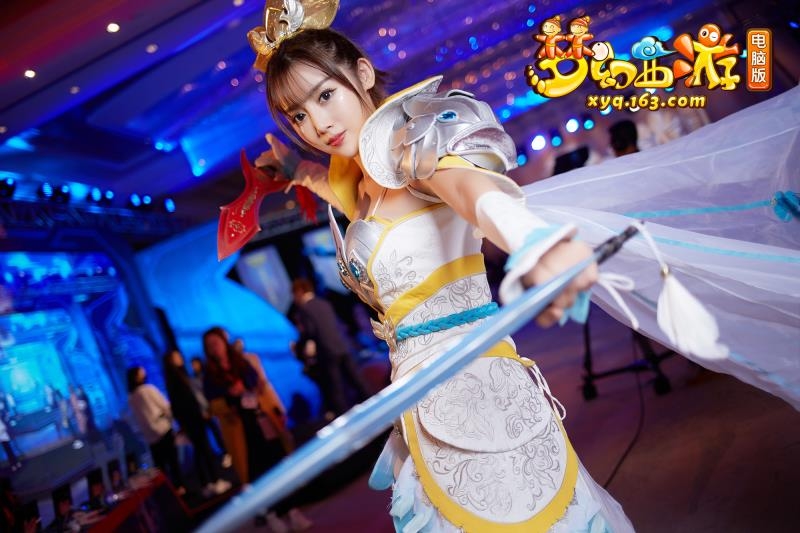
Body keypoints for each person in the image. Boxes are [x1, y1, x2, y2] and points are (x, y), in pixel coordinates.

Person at [234, 4, 630, 531]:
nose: (317, 124)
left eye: (325, 96)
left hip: (480, 389)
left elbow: (466, 186)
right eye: (297, 116)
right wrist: (296, 171)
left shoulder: (412, 147)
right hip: (418, 404)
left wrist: (531, 239)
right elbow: (345, 195)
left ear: (363, 74)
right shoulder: (360, 184)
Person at [202, 327, 312, 532]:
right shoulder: (210, 374)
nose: (214, 347)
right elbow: (212, 403)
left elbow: (257, 382)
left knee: (278, 464)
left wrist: (248, 388)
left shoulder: (241, 361)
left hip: (261, 420)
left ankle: (292, 511)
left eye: (216, 342)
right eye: (210, 345)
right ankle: (272, 515)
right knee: (257, 473)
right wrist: (229, 395)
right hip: (240, 429)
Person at [290, 278, 369, 417]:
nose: (294, 300)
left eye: (294, 295)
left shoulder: (305, 309)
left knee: (336, 391)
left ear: (299, 292)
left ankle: (346, 422)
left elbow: (310, 332)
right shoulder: (324, 303)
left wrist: (298, 346)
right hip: (341, 345)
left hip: (327, 352)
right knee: (357, 381)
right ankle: (377, 408)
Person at [162, 350, 232, 498]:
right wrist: (197, 414)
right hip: (193, 418)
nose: (180, 358)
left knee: (201, 451)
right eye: (176, 356)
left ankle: (207, 483)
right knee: (204, 449)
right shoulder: (177, 378)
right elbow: (184, 402)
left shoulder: (178, 377)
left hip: (191, 419)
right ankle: (214, 481)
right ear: (171, 361)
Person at [126, 366, 186, 496]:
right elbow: (165, 406)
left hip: (150, 437)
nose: (144, 372)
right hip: (163, 429)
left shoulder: (131, 398)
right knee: (173, 461)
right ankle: (180, 488)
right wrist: (172, 420)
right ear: (136, 376)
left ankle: (168, 494)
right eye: (141, 371)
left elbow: (134, 420)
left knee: (161, 467)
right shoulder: (148, 389)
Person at [189, 356, 232, 468]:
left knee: (223, 429)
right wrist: (206, 409)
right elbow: (198, 396)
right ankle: (226, 452)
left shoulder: (208, 375)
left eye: (195, 364)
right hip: (207, 409)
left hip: (218, 405)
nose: (194, 367)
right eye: (192, 365)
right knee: (216, 432)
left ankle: (230, 450)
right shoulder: (193, 380)